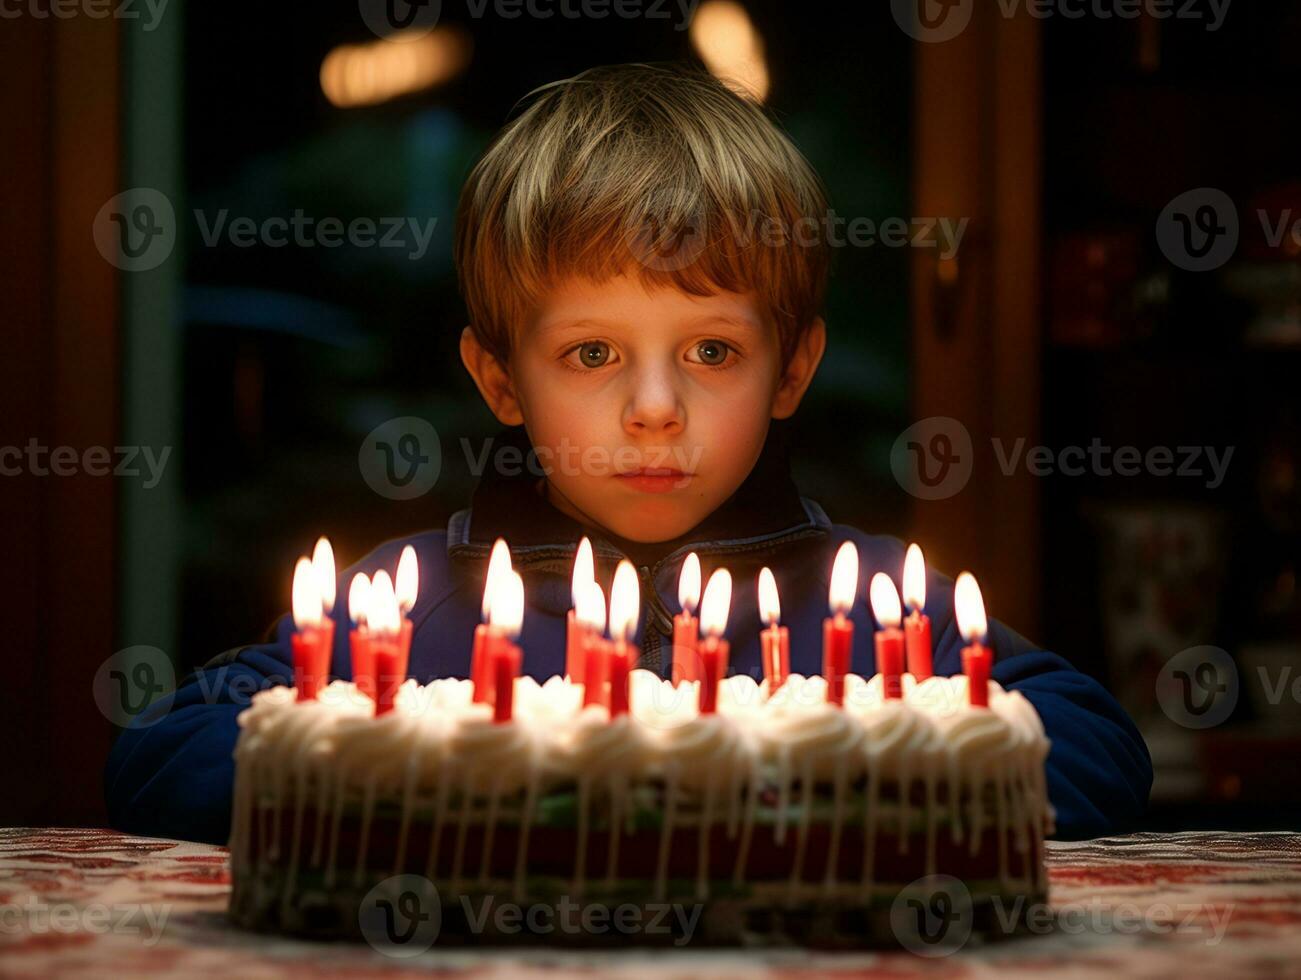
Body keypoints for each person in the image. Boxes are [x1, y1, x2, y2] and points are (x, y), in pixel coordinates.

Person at [105, 63, 1151, 845]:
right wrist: (419, 782)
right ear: (500, 379)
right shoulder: (410, 599)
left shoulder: (875, 604)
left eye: (710, 350)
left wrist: (870, 784)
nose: (655, 408)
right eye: (592, 351)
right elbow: (159, 752)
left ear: (790, 370)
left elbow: (1099, 747)